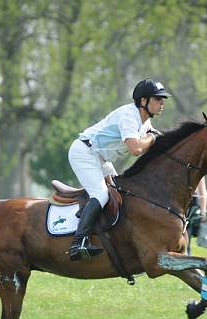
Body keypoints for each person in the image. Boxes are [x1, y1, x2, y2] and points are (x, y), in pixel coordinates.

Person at [67, 78, 170, 261]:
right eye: (158, 99)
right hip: (84, 152)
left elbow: (154, 139)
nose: (162, 103)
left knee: (121, 193)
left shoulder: (145, 121)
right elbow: (136, 148)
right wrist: (153, 138)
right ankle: (78, 242)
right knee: (101, 195)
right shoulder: (129, 116)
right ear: (144, 101)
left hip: (100, 158)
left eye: (162, 99)